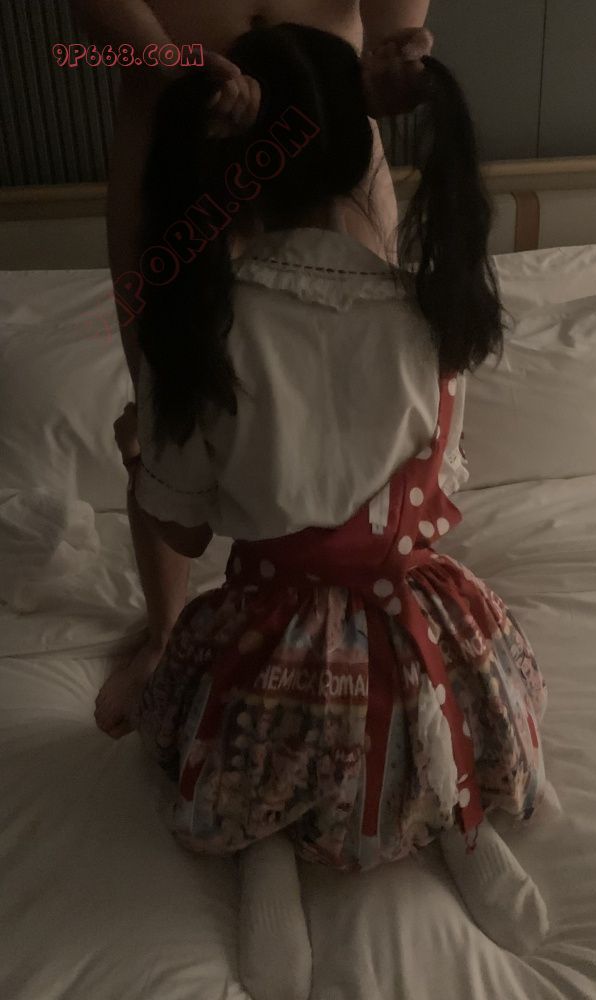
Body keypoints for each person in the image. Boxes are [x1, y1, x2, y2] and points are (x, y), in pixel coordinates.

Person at [92, 20, 552, 998]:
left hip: (274, 628)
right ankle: (456, 816)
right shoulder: (432, 308)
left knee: (243, 722)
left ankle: (263, 846)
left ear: (233, 173)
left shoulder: (202, 327)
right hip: (418, 613)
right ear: (360, 150)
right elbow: (437, 482)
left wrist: (140, 453)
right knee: (431, 687)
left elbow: (185, 531)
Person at [71, 0, 436, 729]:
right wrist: (170, 66)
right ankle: (166, 632)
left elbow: (396, 29)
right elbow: (90, 33)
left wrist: (393, 61)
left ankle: (369, 605)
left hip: (322, 122)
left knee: (366, 370)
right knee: (170, 393)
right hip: (182, 122)